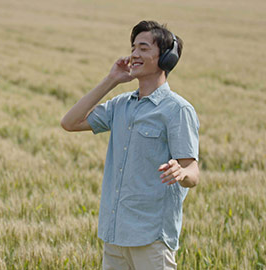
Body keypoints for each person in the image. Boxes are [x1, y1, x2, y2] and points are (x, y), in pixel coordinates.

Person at [60, 20, 200, 270]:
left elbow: (193, 172)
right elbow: (69, 122)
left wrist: (181, 172)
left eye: (144, 48)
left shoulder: (177, 110)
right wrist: (111, 80)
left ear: (166, 59)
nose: (134, 54)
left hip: (151, 238)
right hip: (115, 235)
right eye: (133, 47)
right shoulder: (120, 105)